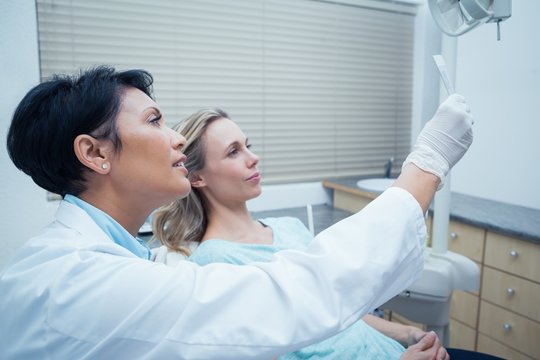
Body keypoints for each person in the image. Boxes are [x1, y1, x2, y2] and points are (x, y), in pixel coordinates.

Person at [0, 65, 473, 359]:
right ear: (95, 154)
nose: (177, 138)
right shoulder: (82, 280)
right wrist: (427, 163)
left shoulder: (105, 258)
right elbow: (287, 299)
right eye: (153, 120)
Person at [152, 109, 446, 359]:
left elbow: (338, 306)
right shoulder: (213, 263)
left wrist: (407, 334)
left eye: (247, 145)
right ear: (197, 178)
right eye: (233, 152)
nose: (253, 158)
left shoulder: (289, 227)